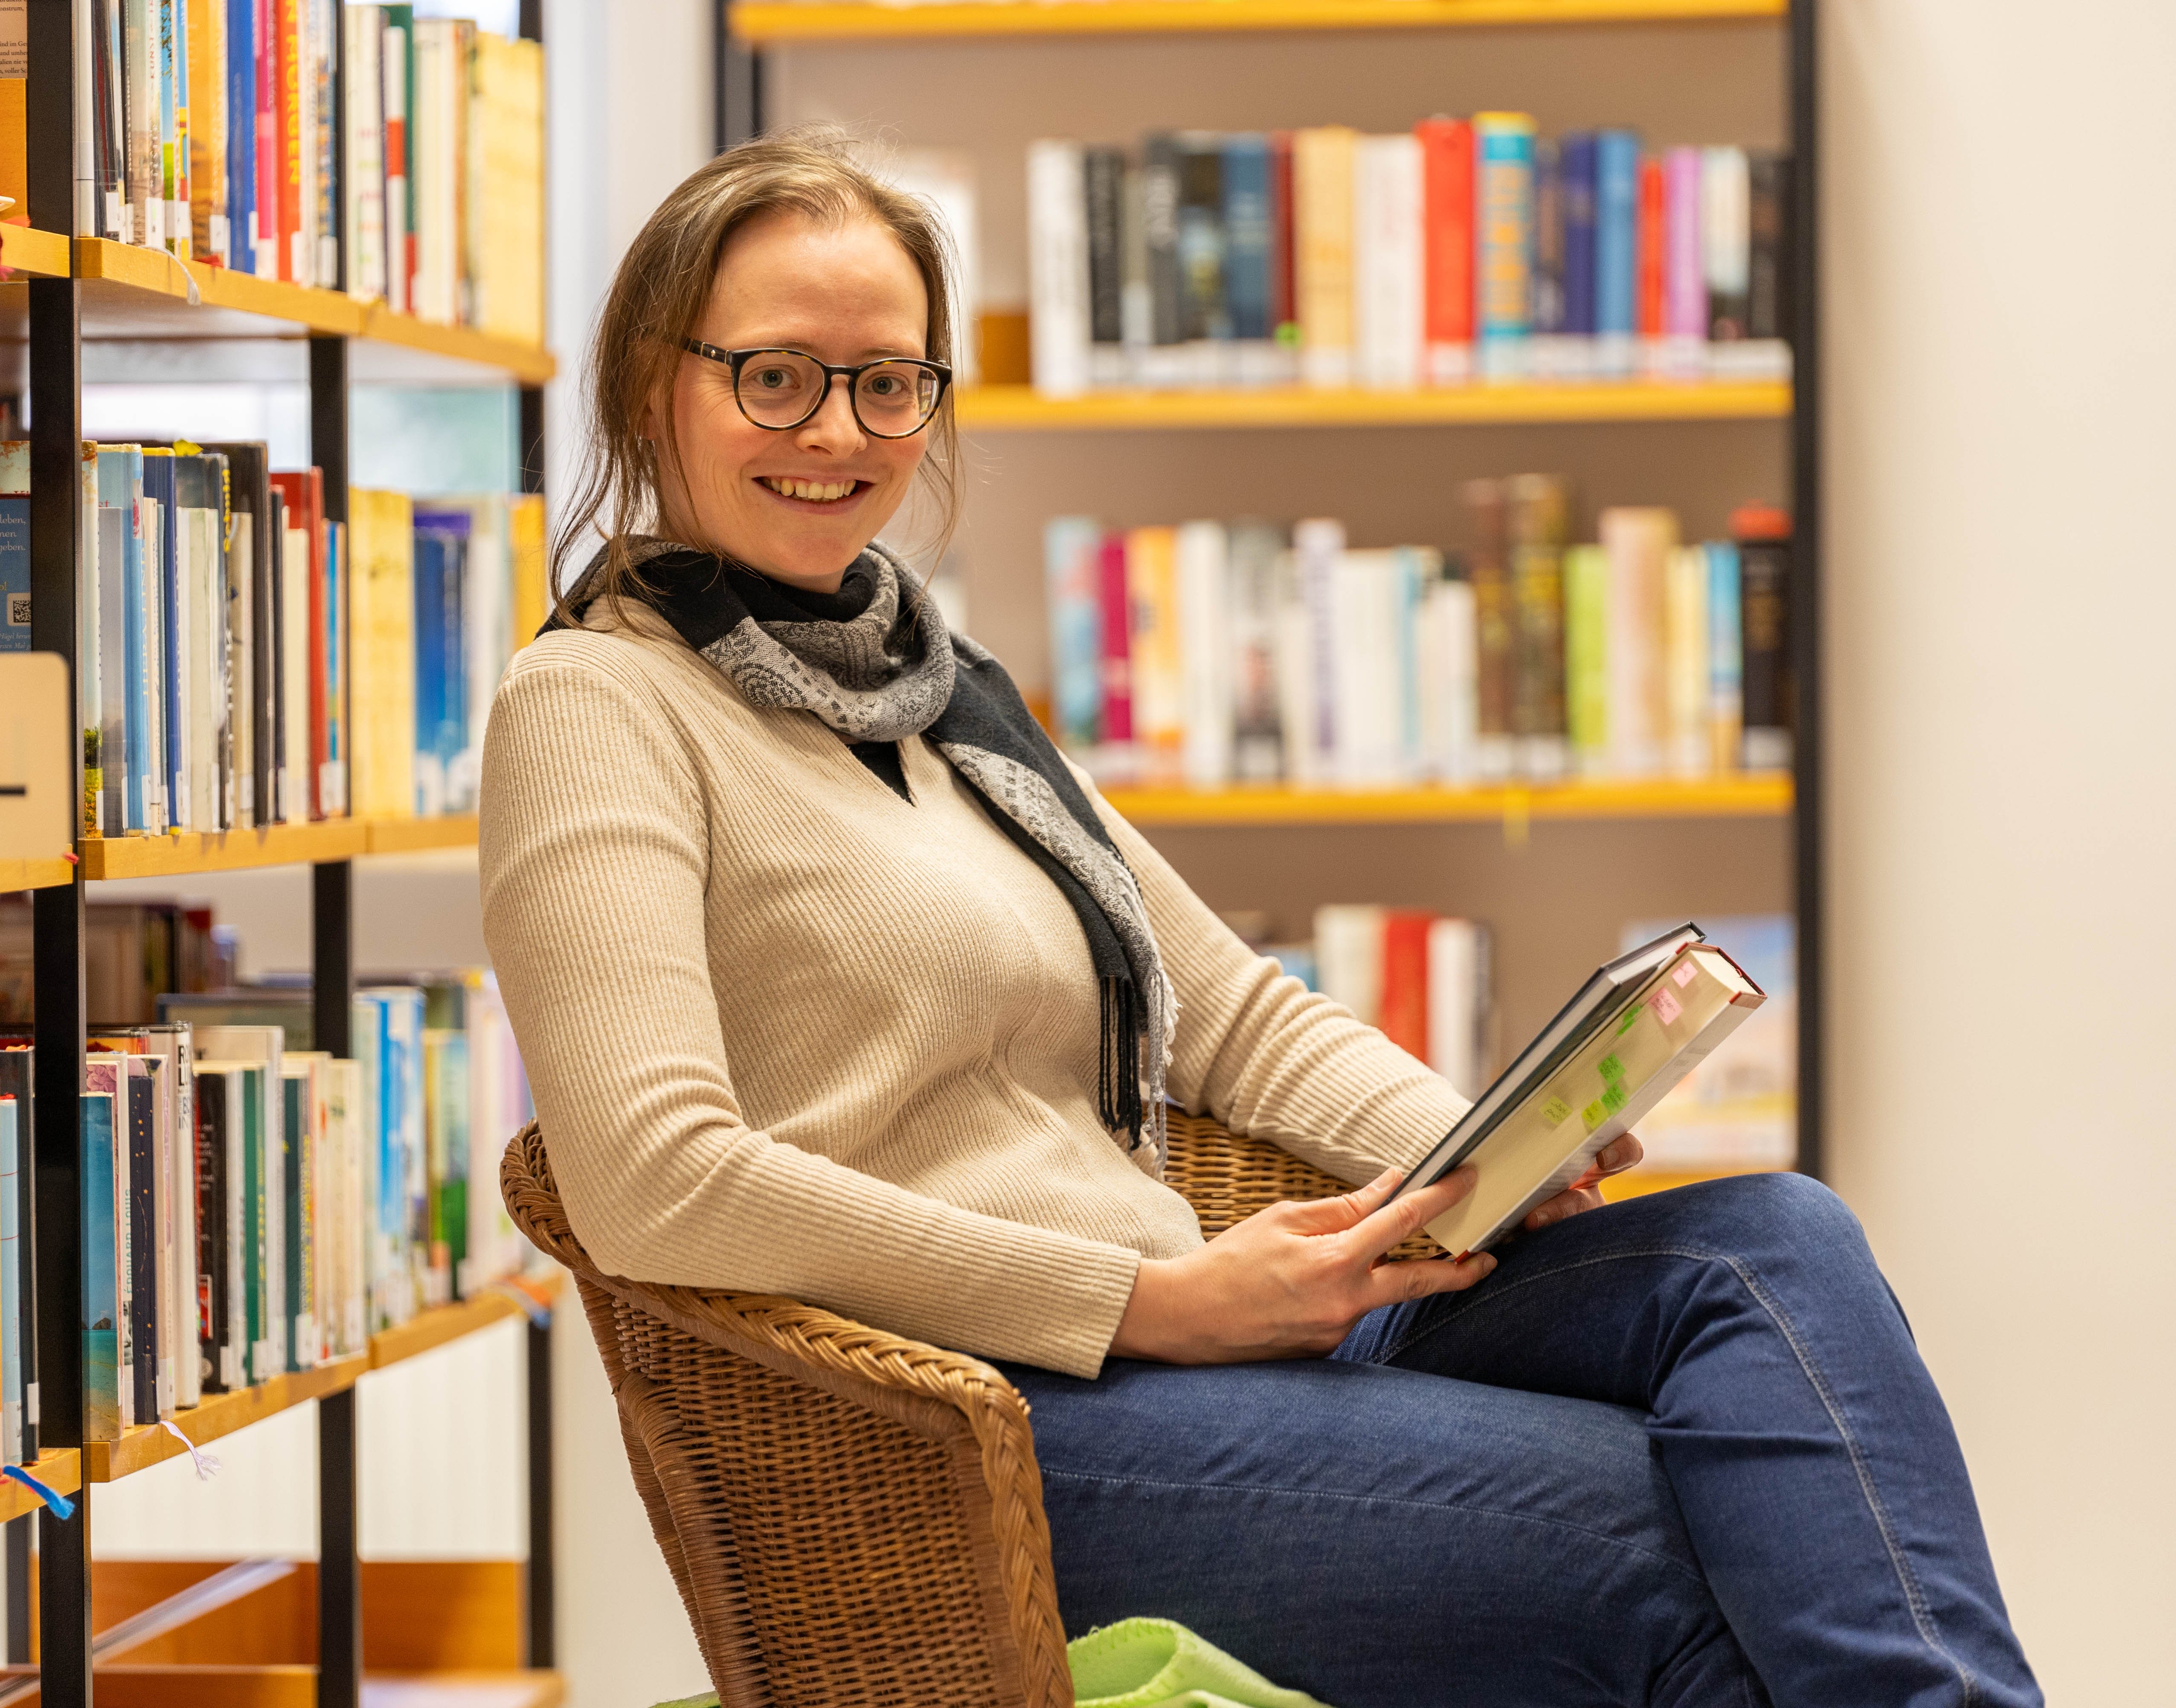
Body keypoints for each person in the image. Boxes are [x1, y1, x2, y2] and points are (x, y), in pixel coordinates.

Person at [479, 127, 2041, 1708]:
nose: (838, 431)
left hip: (1212, 1328)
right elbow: (658, 1184)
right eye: (775, 377)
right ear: (652, 384)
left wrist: (1487, 1166)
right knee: (1682, 1542)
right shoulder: (599, 705)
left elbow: (1234, 1017)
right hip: (985, 1426)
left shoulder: (946, 698)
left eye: (889, 382)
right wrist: (1146, 1305)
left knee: (1774, 1247)